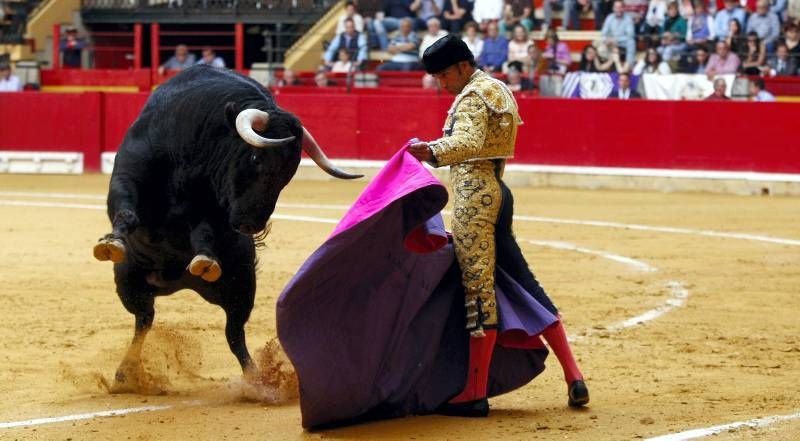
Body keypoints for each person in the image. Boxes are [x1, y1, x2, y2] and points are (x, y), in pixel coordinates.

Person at [407, 35, 590, 416]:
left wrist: (432, 151)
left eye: (444, 75)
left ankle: (474, 393)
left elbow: (470, 141)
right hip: (499, 192)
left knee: (478, 291)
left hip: (475, 197)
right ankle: (574, 374)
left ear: (461, 65)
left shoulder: (474, 95)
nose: (443, 84)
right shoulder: (497, 88)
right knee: (524, 281)